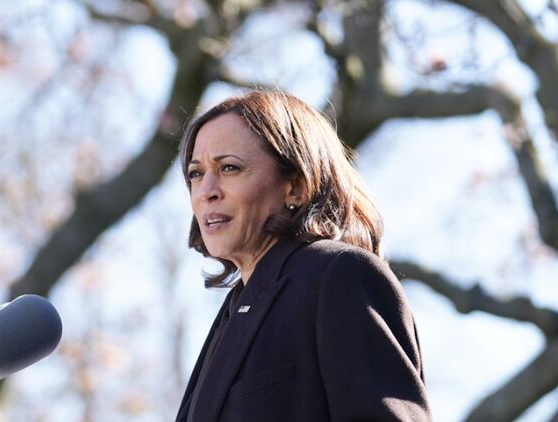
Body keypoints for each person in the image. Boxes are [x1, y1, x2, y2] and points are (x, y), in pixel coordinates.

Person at [175, 90, 431, 421]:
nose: (206, 191)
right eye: (196, 173)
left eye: (229, 168)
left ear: (296, 187)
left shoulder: (340, 275)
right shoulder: (234, 310)